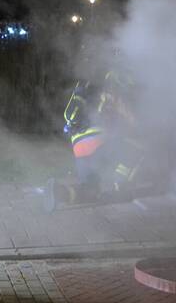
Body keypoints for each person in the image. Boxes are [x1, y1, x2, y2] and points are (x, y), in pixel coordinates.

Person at [46, 69, 144, 212]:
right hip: (97, 144)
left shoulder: (88, 94)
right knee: (137, 145)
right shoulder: (113, 94)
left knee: (90, 189)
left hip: (80, 151)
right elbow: (134, 123)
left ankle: (60, 193)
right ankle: (120, 187)